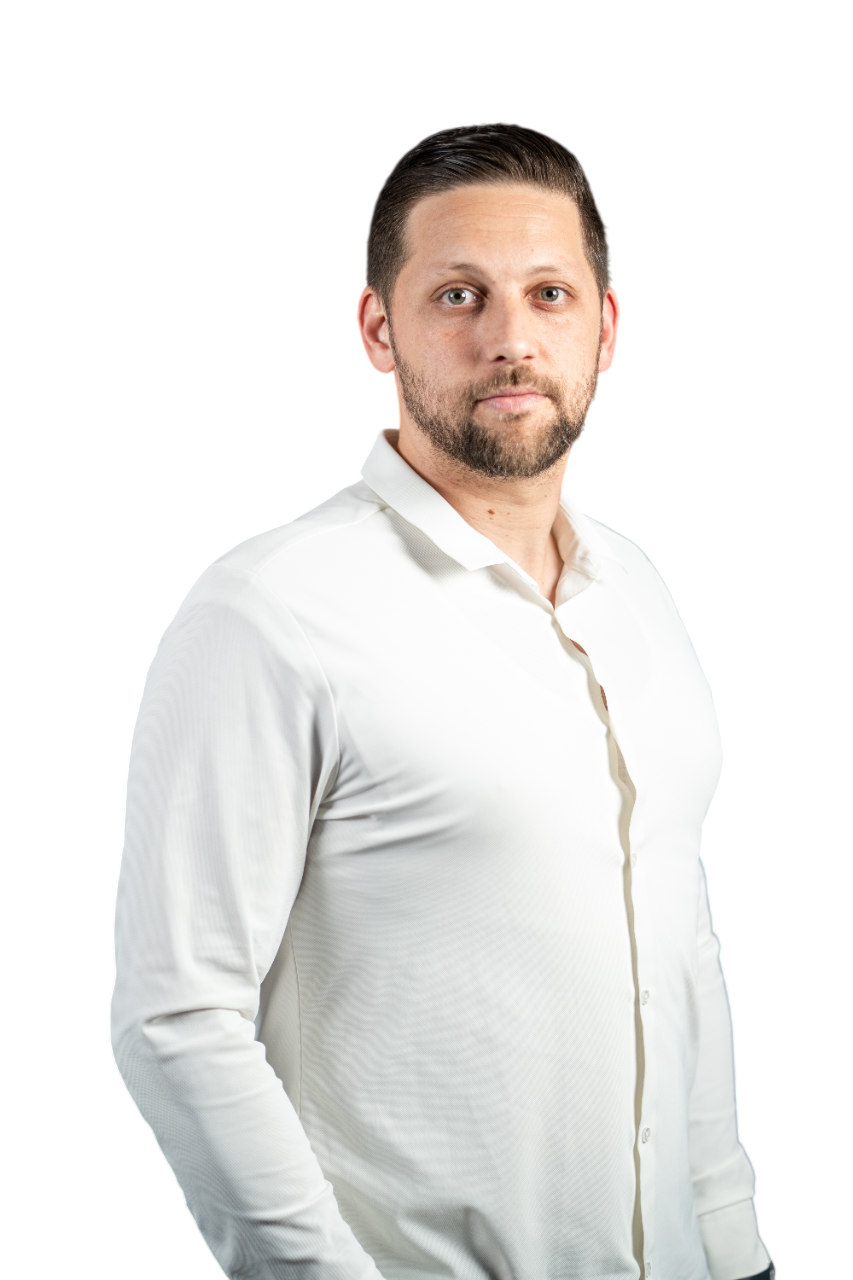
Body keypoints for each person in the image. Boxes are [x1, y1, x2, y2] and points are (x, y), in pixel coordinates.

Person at [109, 122, 775, 1279]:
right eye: (459, 295)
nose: (510, 337)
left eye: (549, 294)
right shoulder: (267, 610)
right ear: (379, 328)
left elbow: (677, 944)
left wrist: (730, 1240)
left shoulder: (639, 590)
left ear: (606, 329)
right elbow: (176, 1018)